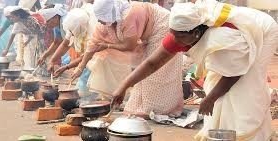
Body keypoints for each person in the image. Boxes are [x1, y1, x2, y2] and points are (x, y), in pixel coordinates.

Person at [112, 0, 278, 140]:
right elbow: (152, 64)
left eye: (179, 36)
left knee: (246, 87)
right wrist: (124, 86)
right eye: (172, 35)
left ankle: (252, 134)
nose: (174, 40)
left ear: (197, 33)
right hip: (236, 39)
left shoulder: (220, 38)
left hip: (262, 32)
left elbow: (235, 73)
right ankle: (219, 131)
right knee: (216, 87)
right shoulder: (182, 30)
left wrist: (210, 99)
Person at [73, 0, 183, 118]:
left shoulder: (129, 15)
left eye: (101, 18)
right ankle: (144, 107)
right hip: (149, 34)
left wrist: (107, 45)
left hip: (162, 27)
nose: (99, 21)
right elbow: (93, 45)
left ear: (110, 12)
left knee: (155, 72)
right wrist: (79, 68)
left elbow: (129, 46)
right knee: (144, 72)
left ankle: (160, 108)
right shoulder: (106, 21)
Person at [48, 5, 97, 94]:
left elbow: (87, 56)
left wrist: (68, 67)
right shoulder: (73, 21)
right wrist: (52, 60)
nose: (73, 36)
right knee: (83, 87)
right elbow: (65, 43)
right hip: (86, 59)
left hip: (96, 59)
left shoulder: (93, 30)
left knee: (86, 88)